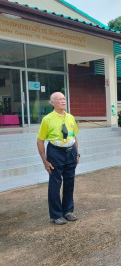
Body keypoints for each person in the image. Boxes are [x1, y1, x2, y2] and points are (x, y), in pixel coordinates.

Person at [36, 92, 80, 225]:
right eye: (59, 99)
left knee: (69, 182)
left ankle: (67, 211)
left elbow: (74, 136)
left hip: (70, 152)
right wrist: (45, 161)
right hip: (55, 153)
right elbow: (40, 141)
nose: (63, 101)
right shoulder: (47, 119)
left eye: (64, 99)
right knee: (55, 183)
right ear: (52, 103)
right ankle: (56, 214)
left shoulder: (71, 117)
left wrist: (77, 153)